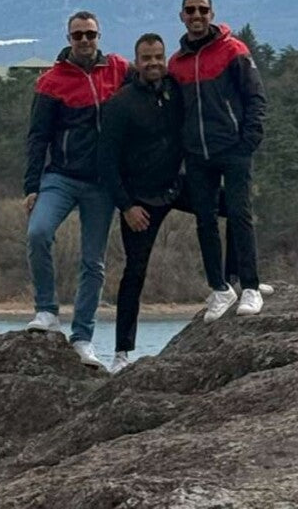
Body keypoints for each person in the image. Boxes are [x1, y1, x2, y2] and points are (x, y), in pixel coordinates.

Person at [99, 32, 237, 373]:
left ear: (165, 58)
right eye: (146, 58)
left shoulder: (175, 92)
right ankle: (121, 353)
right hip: (140, 202)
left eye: (158, 57)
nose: (153, 64)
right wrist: (126, 206)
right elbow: (105, 163)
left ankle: (232, 281)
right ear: (137, 61)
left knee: (236, 207)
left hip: (177, 186)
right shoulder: (120, 104)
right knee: (135, 273)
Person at [24, 11, 129, 368]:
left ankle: (82, 338)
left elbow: (149, 89)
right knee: (38, 232)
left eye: (91, 34)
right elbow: (37, 138)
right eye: (78, 35)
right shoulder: (51, 82)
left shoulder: (118, 70)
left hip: (102, 184)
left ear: (100, 36)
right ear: (68, 38)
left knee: (93, 262)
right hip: (61, 177)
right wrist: (31, 185)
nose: (85, 41)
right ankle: (46, 311)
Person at [168, 0, 272, 322]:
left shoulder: (233, 50)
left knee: (240, 214)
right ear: (181, 16)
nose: (196, 15)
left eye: (202, 10)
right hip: (197, 154)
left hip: (233, 148)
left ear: (211, 14)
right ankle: (220, 287)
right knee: (205, 221)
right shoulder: (177, 63)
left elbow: (256, 97)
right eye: (190, 10)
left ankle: (251, 286)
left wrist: (248, 141)